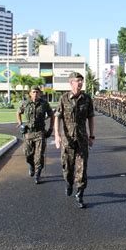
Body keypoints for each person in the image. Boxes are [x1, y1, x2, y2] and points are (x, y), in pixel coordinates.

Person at [54, 72, 95, 209]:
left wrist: (92, 135)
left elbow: (91, 117)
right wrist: (57, 135)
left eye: (81, 81)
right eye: (77, 81)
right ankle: (69, 183)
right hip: (67, 140)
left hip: (82, 139)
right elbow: (57, 117)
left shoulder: (87, 99)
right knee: (67, 168)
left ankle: (80, 194)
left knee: (82, 169)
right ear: (71, 82)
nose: (80, 83)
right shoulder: (63, 98)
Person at [16, 85, 54, 184]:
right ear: (30, 93)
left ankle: (37, 174)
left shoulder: (44, 104)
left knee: (39, 155)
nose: (35, 94)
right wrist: (20, 124)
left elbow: (52, 115)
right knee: (28, 154)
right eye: (33, 92)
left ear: (40, 93)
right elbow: (18, 113)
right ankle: (31, 166)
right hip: (28, 132)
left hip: (40, 132)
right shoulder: (25, 103)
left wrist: (51, 128)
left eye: (37, 92)